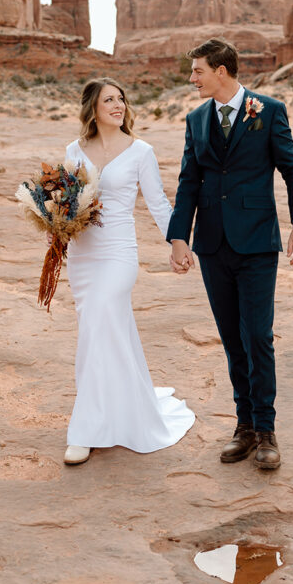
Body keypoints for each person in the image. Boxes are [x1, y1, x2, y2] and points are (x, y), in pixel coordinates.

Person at [166, 38, 293, 470]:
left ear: (221, 71)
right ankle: (243, 427)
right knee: (232, 339)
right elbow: (189, 180)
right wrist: (179, 237)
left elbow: (292, 168)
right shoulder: (195, 119)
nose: (192, 79)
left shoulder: (268, 111)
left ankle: (266, 430)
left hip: (257, 243)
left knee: (258, 337)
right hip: (212, 245)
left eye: (198, 71)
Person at [62, 77, 195, 465]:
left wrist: (177, 241)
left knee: (99, 323)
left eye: (121, 98)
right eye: (109, 100)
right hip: (83, 255)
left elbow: (158, 202)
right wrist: (55, 225)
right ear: (93, 108)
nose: (118, 105)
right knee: (102, 329)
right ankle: (121, 407)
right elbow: (65, 201)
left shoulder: (140, 151)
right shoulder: (74, 149)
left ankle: (85, 430)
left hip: (119, 254)